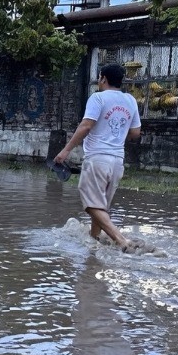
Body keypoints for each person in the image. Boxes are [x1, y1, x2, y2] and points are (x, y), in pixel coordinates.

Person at [53, 63, 142, 252]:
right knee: (101, 208)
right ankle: (94, 242)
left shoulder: (98, 98)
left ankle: (121, 240)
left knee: (90, 205)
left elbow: (86, 126)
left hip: (97, 159)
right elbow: (135, 133)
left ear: (103, 79)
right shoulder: (131, 100)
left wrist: (65, 151)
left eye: (99, 78)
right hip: (118, 161)